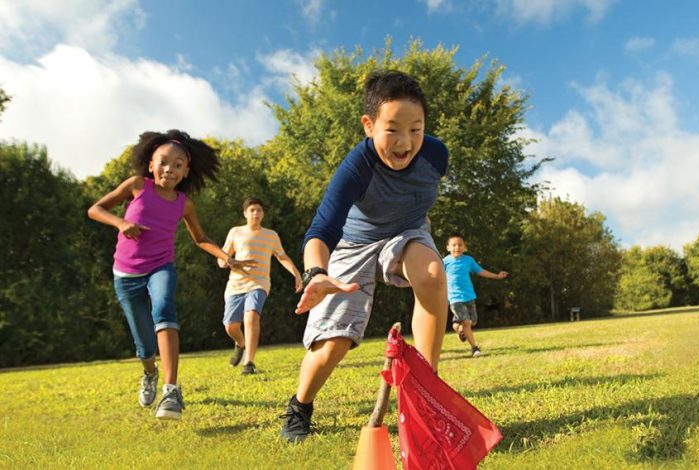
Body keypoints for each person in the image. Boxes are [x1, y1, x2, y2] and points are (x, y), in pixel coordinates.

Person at [280, 71, 449, 443]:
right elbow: (320, 231)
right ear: (369, 125)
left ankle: (424, 394)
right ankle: (300, 405)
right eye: (392, 130)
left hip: (407, 233)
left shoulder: (436, 155)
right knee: (333, 344)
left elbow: (415, 194)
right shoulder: (356, 167)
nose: (406, 143)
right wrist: (315, 273)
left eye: (416, 129)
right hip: (354, 244)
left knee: (433, 274)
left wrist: (418, 225)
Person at [87, 130, 253, 420]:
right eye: (163, 162)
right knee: (144, 344)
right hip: (125, 275)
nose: (170, 169)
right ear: (151, 164)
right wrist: (120, 222)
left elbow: (200, 238)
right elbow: (95, 209)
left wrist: (226, 256)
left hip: (161, 267)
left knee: (164, 308)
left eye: (178, 165)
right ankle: (149, 372)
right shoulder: (138, 185)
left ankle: (171, 389)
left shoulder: (183, 203)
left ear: (186, 171)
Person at [218, 197, 302, 375]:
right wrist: (231, 262)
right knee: (230, 326)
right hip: (235, 285)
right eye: (252, 210)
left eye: (259, 210)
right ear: (245, 213)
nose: (256, 213)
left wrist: (295, 272)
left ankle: (249, 363)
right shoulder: (236, 232)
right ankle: (240, 343)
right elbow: (221, 260)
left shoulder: (271, 235)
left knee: (251, 317)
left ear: (263, 214)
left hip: (259, 284)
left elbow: (282, 257)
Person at [443, 233, 509, 357]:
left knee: (472, 322)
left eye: (460, 245)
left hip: (469, 296)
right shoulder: (445, 262)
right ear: (448, 247)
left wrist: (497, 276)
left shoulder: (468, 260)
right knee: (467, 322)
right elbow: (436, 275)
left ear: (464, 247)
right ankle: (474, 348)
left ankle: (457, 327)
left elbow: (481, 271)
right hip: (454, 298)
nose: (457, 247)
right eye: (454, 245)